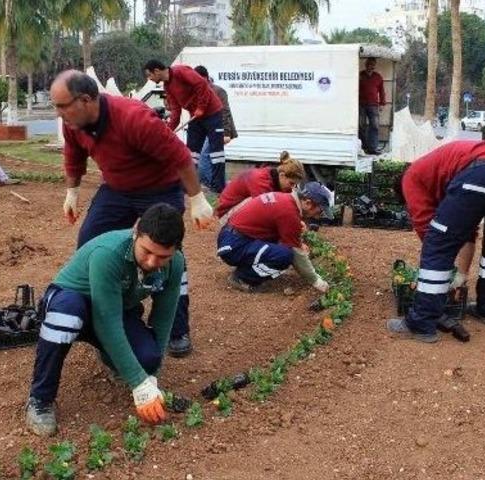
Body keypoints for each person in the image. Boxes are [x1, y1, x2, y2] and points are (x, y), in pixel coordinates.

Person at [51, 70, 215, 358]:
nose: (58, 113)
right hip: (117, 190)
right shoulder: (73, 124)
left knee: (166, 256)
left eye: (63, 106)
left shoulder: (133, 118)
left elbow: (180, 156)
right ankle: (107, 320)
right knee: (89, 246)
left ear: (86, 100)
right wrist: (72, 192)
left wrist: (197, 198)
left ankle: (177, 329)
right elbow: (74, 156)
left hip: (160, 188)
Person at [26, 203, 185, 436]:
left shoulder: (176, 264)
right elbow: (107, 322)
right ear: (136, 233)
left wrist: (151, 375)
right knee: (66, 316)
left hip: (115, 308)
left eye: (162, 257)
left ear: (176, 250)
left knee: (148, 358)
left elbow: (163, 319)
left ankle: (114, 359)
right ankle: (40, 399)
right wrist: (137, 381)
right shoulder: (109, 253)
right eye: (146, 251)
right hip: (72, 301)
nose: (152, 262)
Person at [387, 140, 485, 343]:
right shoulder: (440, 171)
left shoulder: (410, 178)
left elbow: (426, 229)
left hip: (481, 173)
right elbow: (467, 231)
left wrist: (439, 273)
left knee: (437, 242)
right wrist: (460, 274)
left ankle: (421, 322)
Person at [217, 181, 332, 293]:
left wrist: (296, 235)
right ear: (308, 203)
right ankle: (242, 278)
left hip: (232, 237)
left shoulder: (286, 200)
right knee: (285, 256)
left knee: (283, 248)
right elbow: (297, 253)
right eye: (319, 211)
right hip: (234, 245)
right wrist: (316, 281)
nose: (318, 216)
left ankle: (247, 267)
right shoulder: (289, 212)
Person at [143, 60, 227, 192]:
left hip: (212, 113)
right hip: (196, 116)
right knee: (191, 153)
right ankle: (188, 186)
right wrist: (168, 131)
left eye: (150, 75)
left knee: (217, 153)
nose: (150, 79)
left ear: (157, 71)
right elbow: (176, 111)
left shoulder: (180, 71)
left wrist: (201, 107)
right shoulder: (167, 87)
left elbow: (201, 84)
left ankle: (219, 188)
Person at [215, 151, 306, 218]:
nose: (292, 188)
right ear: (282, 175)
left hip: (236, 210)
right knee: (265, 206)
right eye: (291, 183)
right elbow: (264, 213)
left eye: (295, 185)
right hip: (225, 214)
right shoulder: (261, 182)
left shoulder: (271, 177)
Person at [193, 65, 238, 191]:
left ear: (204, 77)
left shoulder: (218, 91)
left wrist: (226, 133)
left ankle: (214, 185)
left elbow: (225, 112)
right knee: (212, 158)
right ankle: (220, 185)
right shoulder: (198, 92)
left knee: (205, 157)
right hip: (206, 130)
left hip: (219, 129)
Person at [358, 57, 386, 155]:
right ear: (366, 64)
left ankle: (373, 148)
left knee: (374, 126)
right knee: (361, 125)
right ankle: (363, 147)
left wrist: (382, 103)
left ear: (374, 66)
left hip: (373, 105)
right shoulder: (360, 75)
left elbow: (382, 91)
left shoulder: (378, 77)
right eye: (369, 64)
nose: (371, 66)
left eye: (372, 64)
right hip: (361, 104)